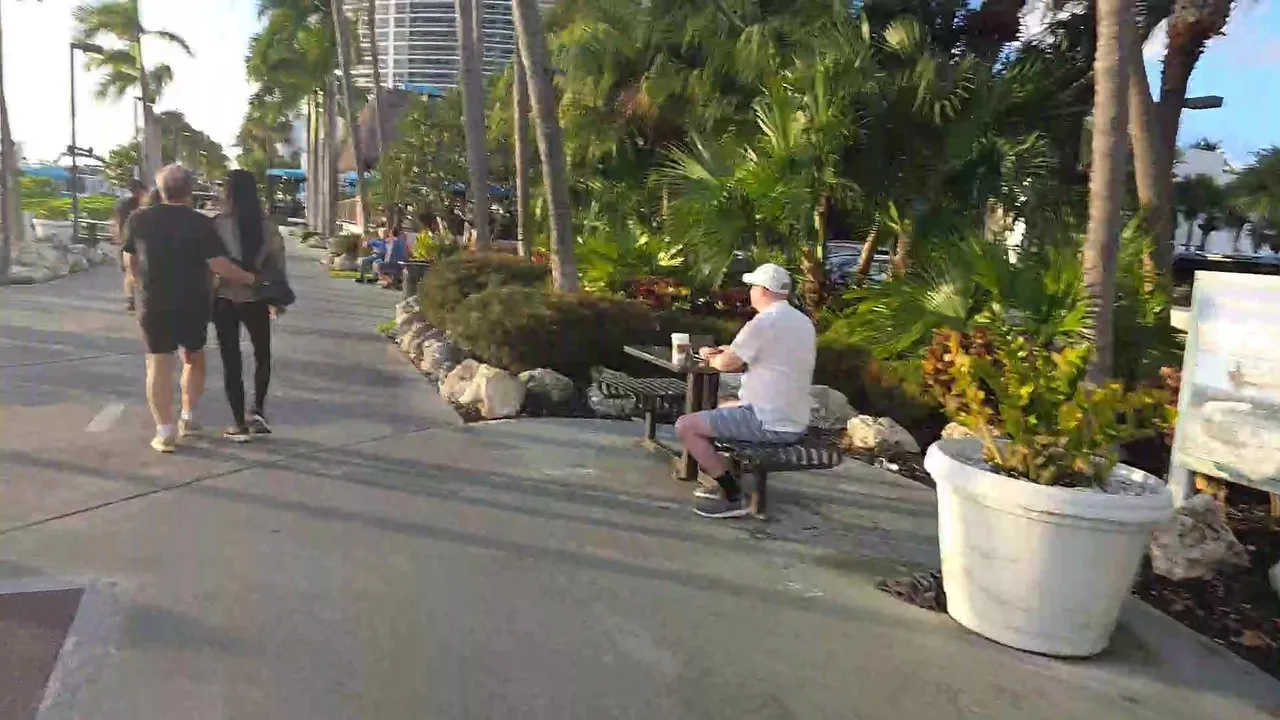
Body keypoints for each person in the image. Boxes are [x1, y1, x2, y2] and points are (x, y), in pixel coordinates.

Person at [122, 165, 257, 454]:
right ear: (190, 190)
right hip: (194, 301)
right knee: (193, 357)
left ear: (160, 190)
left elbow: (130, 261)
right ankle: (188, 416)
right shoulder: (201, 223)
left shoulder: (138, 219)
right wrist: (251, 279)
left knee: (159, 363)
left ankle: (164, 431)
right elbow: (218, 264)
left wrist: (138, 287)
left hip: (154, 302)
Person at [673, 263, 816, 519]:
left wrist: (711, 357)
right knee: (722, 407)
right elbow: (766, 353)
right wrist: (727, 351)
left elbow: (726, 364)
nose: (750, 292)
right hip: (794, 418)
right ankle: (725, 475)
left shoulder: (763, 322)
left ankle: (733, 495)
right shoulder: (802, 322)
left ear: (763, 291)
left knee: (686, 426)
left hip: (767, 421)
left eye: (753, 287)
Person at [213, 169, 289, 441]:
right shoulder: (267, 226)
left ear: (229, 192)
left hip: (223, 297)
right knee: (262, 356)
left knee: (230, 360)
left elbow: (208, 262)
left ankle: (238, 423)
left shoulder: (216, 224)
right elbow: (277, 264)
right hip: (256, 297)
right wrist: (276, 300)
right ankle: (256, 412)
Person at [113, 179, 147, 312]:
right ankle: (131, 299)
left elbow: (116, 223)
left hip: (129, 240)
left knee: (130, 270)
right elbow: (117, 223)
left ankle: (131, 299)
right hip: (132, 240)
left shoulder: (124, 204)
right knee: (130, 270)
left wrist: (117, 238)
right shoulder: (135, 205)